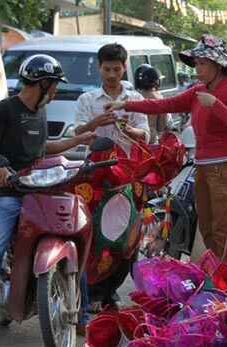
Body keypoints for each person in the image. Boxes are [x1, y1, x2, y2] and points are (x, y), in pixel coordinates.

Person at [0, 55, 96, 347]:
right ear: (42, 83)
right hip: (12, 194)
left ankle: (82, 315)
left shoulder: (40, 112)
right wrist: (1, 171)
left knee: (74, 237)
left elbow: (42, 149)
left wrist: (78, 142)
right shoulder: (6, 109)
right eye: (55, 85)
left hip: (40, 193)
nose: (56, 91)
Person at [106, 34, 227, 262]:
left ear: (218, 65)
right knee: (207, 229)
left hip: (226, 167)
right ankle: (220, 277)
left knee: (222, 229)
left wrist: (216, 105)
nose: (197, 69)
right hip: (202, 166)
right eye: (197, 64)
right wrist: (126, 104)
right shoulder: (198, 90)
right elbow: (163, 104)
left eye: (203, 64)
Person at [74, 43, 150, 311]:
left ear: (124, 67)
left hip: (128, 174)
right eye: (107, 69)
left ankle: (110, 290)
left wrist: (127, 128)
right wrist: (97, 124)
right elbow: (76, 134)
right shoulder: (87, 100)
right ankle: (94, 290)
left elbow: (146, 134)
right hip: (94, 176)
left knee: (126, 236)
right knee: (94, 233)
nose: (111, 74)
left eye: (116, 69)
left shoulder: (135, 100)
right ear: (99, 68)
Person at [134, 64, 171, 144]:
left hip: (135, 138)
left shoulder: (134, 96)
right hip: (151, 139)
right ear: (156, 81)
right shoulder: (159, 99)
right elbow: (161, 127)